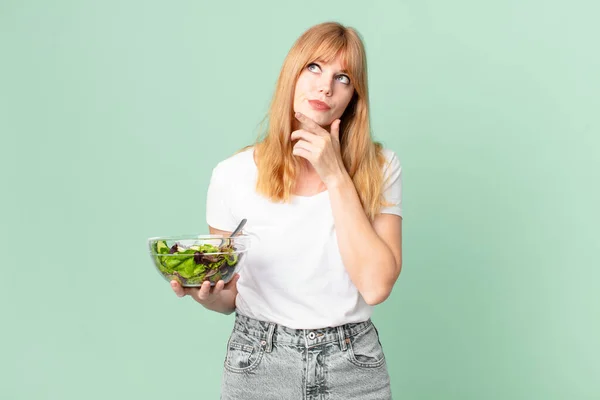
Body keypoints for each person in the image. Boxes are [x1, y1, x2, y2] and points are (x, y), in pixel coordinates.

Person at [171, 21, 403, 400]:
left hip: (353, 366)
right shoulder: (233, 175)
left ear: (353, 97)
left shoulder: (380, 166)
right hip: (258, 361)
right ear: (292, 73)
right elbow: (228, 295)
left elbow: (376, 286)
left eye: (342, 77)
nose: (325, 86)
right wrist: (211, 296)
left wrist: (336, 176)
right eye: (314, 67)